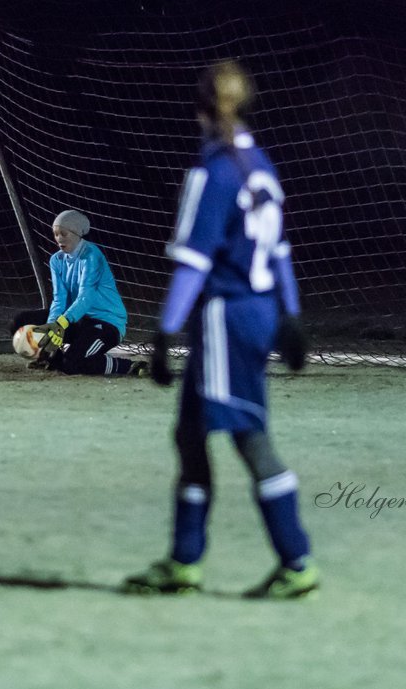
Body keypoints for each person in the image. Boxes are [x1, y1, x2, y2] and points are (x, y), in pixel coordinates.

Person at [123, 60, 316, 599]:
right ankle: (184, 562)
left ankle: (297, 562)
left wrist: (163, 333)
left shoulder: (212, 172)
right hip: (257, 312)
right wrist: (291, 315)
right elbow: (279, 250)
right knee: (189, 435)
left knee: (250, 437)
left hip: (225, 317)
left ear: (200, 111)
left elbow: (193, 263)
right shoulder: (261, 166)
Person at [10, 210, 145, 377]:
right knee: (20, 321)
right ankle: (49, 357)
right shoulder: (56, 260)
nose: (59, 239)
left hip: (105, 323)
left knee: (72, 364)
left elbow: (85, 297)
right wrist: (53, 324)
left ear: (76, 233)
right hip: (75, 320)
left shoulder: (92, 256)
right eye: (56, 234)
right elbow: (59, 299)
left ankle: (127, 366)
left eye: (63, 233)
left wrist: (61, 324)